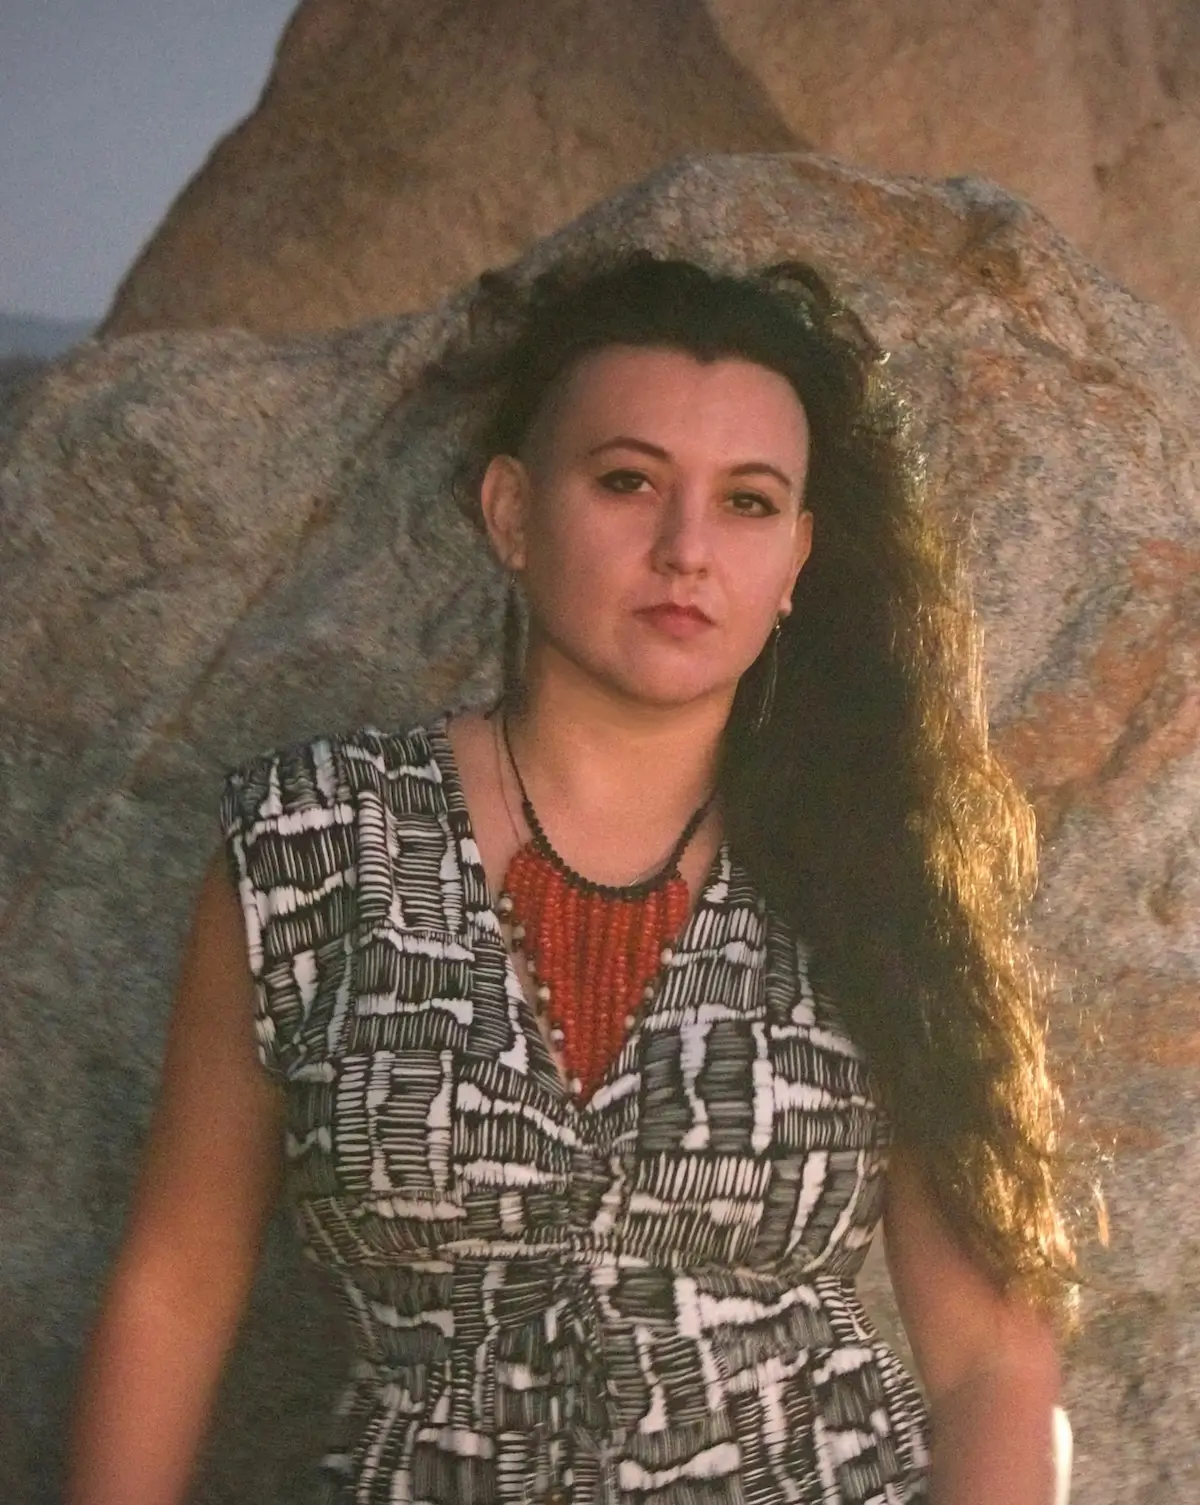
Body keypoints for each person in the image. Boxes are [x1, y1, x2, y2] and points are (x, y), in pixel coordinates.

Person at [68, 255, 1076, 1505]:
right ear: (511, 512)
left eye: (749, 502)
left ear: (799, 559)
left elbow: (994, 1358)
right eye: (626, 481)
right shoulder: (309, 841)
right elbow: (177, 1279)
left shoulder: (879, 870)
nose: (687, 548)